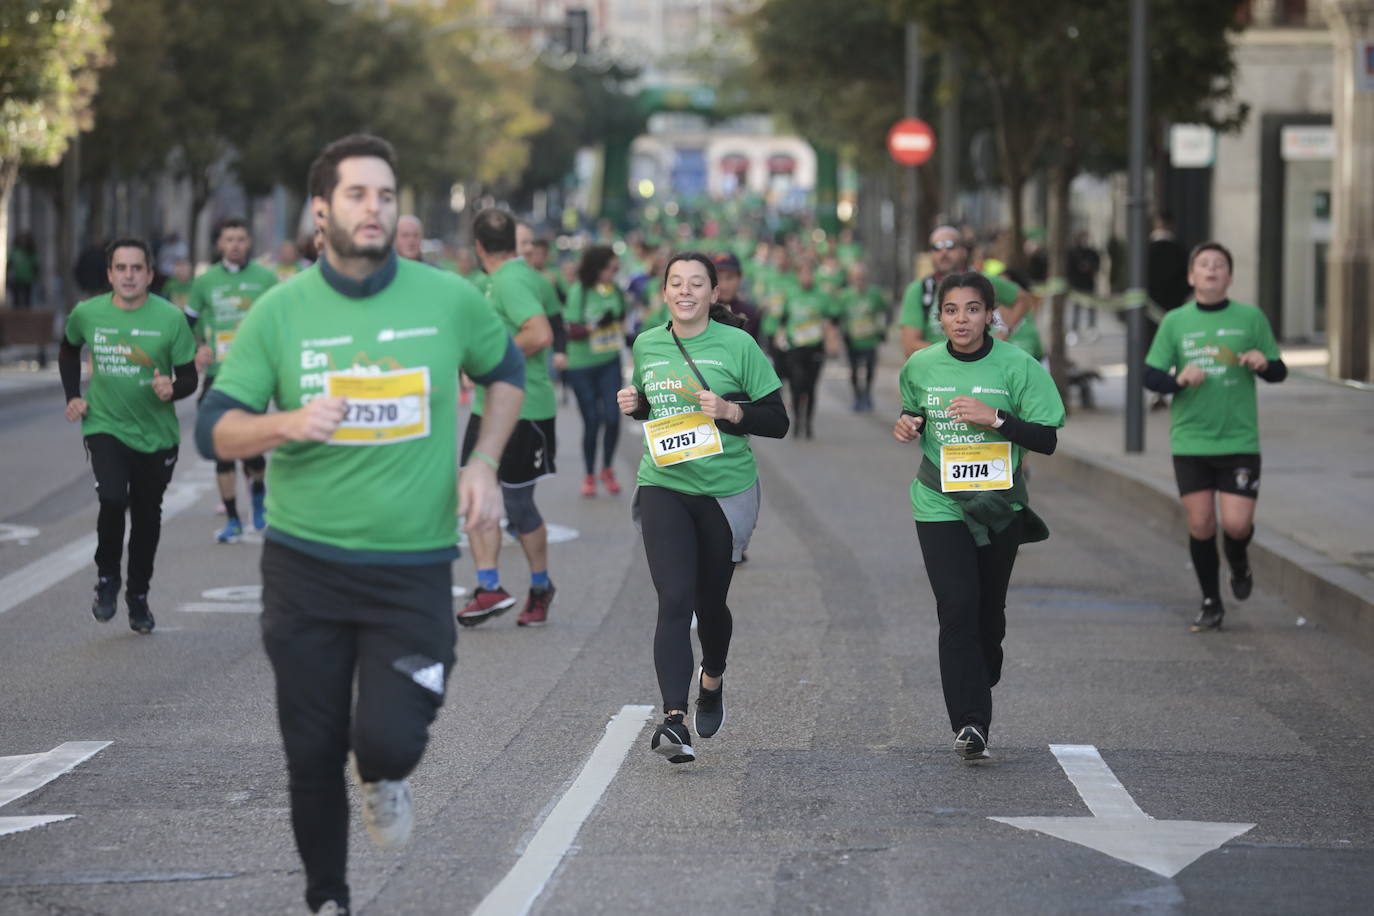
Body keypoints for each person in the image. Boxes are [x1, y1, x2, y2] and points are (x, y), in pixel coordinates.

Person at [196, 134, 525, 916]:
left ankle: (383, 776)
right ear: (321, 210)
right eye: (355, 194)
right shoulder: (281, 313)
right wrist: (286, 423)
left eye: (385, 194)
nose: (374, 207)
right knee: (310, 752)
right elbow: (214, 427)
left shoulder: (446, 298)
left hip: (410, 569)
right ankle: (328, 900)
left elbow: (506, 370)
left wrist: (482, 462)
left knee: (387, 741)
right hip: (305, 568)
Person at [617, 252, 789, 763]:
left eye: (697, 284)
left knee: (710, 603)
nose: (685, 291)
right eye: (676, 283)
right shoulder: (648, 342)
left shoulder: (738, 345)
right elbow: (655, 402)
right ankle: (673, 720)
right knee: (675, 601)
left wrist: (732, 410)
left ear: (715, 294)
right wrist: (638, 405)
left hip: (724, 491)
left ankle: (711, 679)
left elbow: (776, 420)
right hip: (664, 482)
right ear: (664, 291)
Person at [894, 270, 1064, 763]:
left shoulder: (1018, 365)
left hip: (998, 505)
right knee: (957, 605)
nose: (961, 319)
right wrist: (907, 425)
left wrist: (996, 420)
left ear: (990, 314)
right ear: (939, 316)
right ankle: (971, 721)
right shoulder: (921, 365)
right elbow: (914, 413)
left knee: (989, 615)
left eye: (971, 309)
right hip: (938, 500)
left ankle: (983, 661)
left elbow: (1047, 439)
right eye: (951, 310)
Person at [1143, 242, 1286, 633]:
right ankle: (1211, 601)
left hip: (1239, 439)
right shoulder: (1175, 321)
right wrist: (1177, 380)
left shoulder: (1251, 318)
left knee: (1237, 526)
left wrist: (1263, 363)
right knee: (1202, 523)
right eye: (1204, 265)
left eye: (1219, 265)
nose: (1211, 270)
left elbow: (1279, 371)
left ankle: (1238, 559)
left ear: (1229, 276)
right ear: (1192, 276)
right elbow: (1149, 375)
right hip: (1191, 440)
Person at [60, 238, 198, 633]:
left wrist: (174, 388)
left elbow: (189, 376)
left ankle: (138, 595)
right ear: (109, 275)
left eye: (137, 268)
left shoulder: (170, 318)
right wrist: (73, 396)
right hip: (106, 425)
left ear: (150, 275)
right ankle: (107, 579)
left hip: (157, 436)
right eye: (121, 268)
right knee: (112, 497)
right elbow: (68, 349)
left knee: (146, 518)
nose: (129, 275)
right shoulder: (87, 313)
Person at [457, 209, 559, 628]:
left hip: (524, 408)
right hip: (488, 407)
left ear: (478, 247)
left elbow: (540, 333)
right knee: (474, 494)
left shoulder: (511, 280)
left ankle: (540, 586)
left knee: (518, 507)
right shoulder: (509, 278)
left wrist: (495, 361)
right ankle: (488, 587)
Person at [187, 217, 278, 542]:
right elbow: (188, 322)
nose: (235, 245)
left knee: (250, 445)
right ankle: (232, 519)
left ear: (249, 243)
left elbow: (280, 322)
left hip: (254, 375)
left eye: (241, 239)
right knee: (221, 444)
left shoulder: (266, 279)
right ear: (219, 245)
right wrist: (197, 350)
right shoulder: (205, 281)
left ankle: (258, 497)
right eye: (229, 239)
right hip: (217, 375)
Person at [898, 226, 1027, 357]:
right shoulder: (918, 291)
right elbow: (910, 345)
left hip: (983, 367)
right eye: (936, 248)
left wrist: (1004, 331)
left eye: (950, 246)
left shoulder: (983, 282)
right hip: (940, 370)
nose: (943, 253)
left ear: (963, 251)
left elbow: (1022, 298)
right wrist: (960, 355)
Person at [564, 245, 627, 497]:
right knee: (592, 421)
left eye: (616, 268)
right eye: (611, 268)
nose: (614, 273)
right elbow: (570, 329)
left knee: (613, 417)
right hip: (581, 365)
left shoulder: (616, 291)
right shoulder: (580, 291)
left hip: (609, 361)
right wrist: (594, 326)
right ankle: (589, 473)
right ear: (598, 268)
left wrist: (615, 323)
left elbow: (623, 318)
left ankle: (607, 468)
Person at [774, 260, 836, 440]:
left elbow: (831, 319)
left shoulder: (821, 296)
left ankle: (808, 424)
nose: (806, 277)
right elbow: (783, 320)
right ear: (798, 275)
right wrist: (780, 336)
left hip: (815, 348)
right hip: (795, 348)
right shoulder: (791, 294)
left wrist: (831, 336)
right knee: (796, 383)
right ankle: (797, 421)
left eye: (810, 274)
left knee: (810, 387)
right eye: (803, 274)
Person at [840, 261, 888, 411]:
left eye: (862, 277)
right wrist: (844, 333)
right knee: (854, 371)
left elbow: (883, 312)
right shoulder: (845, 296)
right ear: (851, 278)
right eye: (856, 277)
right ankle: (857, 396)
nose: (859, 280)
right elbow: (841, 316)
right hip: (852, 340)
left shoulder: (875, 294)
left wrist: (882, 330)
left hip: (870, 339)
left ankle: (867, 394)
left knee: (869, 369)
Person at [711, 251, 761, 341]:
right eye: (718, 278)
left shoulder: (750, 313)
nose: (724, 285)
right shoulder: (703, 312)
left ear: (740, 277)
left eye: (729, 277)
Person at [7, 232, 39, 308]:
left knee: (27, 301)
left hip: (28, 279)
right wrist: (8, 278)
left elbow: (36, 266)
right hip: (17, 279)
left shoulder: (31, 252)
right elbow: (9, 264)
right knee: (16, 301)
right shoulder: (15, 251)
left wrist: (36, 276)